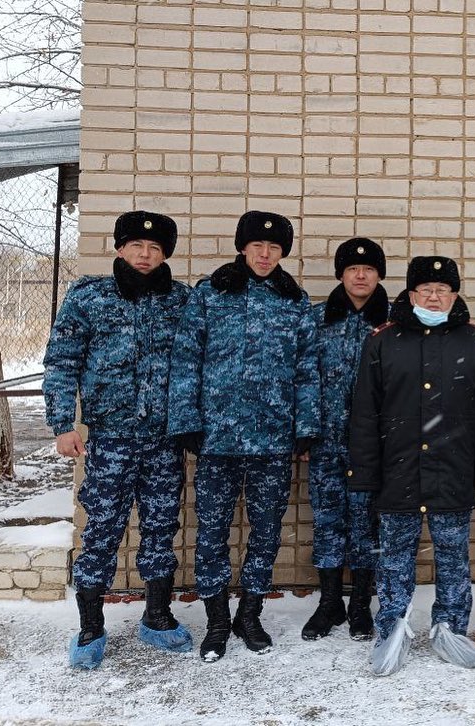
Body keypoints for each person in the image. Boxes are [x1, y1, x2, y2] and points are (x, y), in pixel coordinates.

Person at [168, 210, 320, 662]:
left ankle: (249, 615)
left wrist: (306, 426)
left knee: (267, 531)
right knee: (211, 531)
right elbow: (186, 359)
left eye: (274, 248)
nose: (265, 254)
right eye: (257, 246)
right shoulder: (211, 293)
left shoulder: (294, 300)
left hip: (273, 439)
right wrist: (186, 420)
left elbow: (306, 368)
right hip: (217, 439)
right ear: (243, 247)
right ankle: (217, 619)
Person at [43, 211, 192, 669]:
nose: (145, 255)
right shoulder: (89, 296)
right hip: (110, 440)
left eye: (155, 248)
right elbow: (62, 361)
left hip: (164, 440)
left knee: (161, 528)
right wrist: (62, 423)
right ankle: (90, 626)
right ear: (120, 248)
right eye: (136, 246)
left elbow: (197, 362)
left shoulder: (180, 300)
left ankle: (157, 616)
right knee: (103, 529)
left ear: (165, 254)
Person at [347, 256, 475, 676]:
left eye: (443, 290)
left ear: (454, 295)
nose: (434, 297)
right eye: (426, 290)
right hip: (398, 470)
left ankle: (451, 629)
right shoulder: (384, 341)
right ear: (411, 294)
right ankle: (392, 630)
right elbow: (365, 412)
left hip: (452, 470)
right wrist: (364, 471)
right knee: (394, 558)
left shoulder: (474, 342)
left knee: (453, 557)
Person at [302, 238, 388, 642]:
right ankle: (330, 601)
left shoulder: (393, 322)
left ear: (378, 275)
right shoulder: (317, 319)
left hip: (374, 446)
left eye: (368, 269)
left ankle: (360, 604)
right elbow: (302, 377)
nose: (360, 276)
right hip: (326, 442)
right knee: (327, 522)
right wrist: (305, 433)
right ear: (341, 274)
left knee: (367, 524)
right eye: (353, 269)